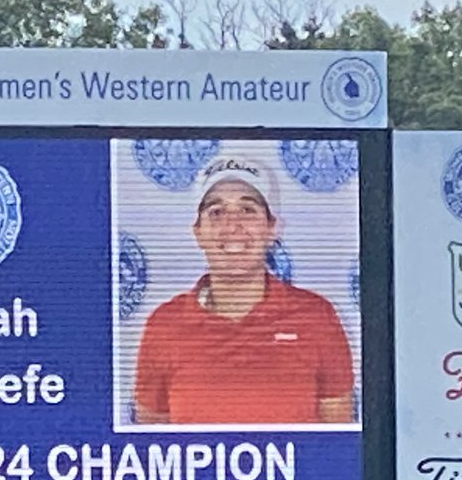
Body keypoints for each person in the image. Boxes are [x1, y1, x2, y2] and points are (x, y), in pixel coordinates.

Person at [132, 151, 355, 425]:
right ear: (198, 232)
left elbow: (337, 436)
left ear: (271, 228)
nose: (232, 225)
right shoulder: (163, 325)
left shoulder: (316, 316)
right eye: (216, 212)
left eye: (247, 210)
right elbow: (151, 438)